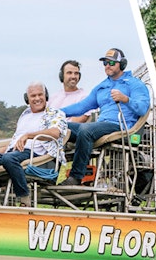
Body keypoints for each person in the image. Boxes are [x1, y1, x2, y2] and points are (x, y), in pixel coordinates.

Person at [57, 48, 150, 186]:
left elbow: (143, 108)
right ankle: (49, 174)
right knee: (60, 127)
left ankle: (76, 177)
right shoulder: (102, 86)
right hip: (101, 125)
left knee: (86, 130)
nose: (107, 66)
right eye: (105, 63)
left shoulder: (134, 84)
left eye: (112, 63)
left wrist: (126, 99)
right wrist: (57, 113)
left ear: (122, 64)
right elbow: (81, 107)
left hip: (120, 126)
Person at [0, 81, 68, 208]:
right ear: (27, 99)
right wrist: (0, 152)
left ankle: (24, 197)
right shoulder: (25, 115)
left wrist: (28, 135)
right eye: (33, 96)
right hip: (14, 153)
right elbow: (15, 140)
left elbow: (55, 132)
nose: (37, 98)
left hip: (36, 155)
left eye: (40, 95)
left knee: (9, 158)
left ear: (46, 96)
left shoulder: (55, 113)